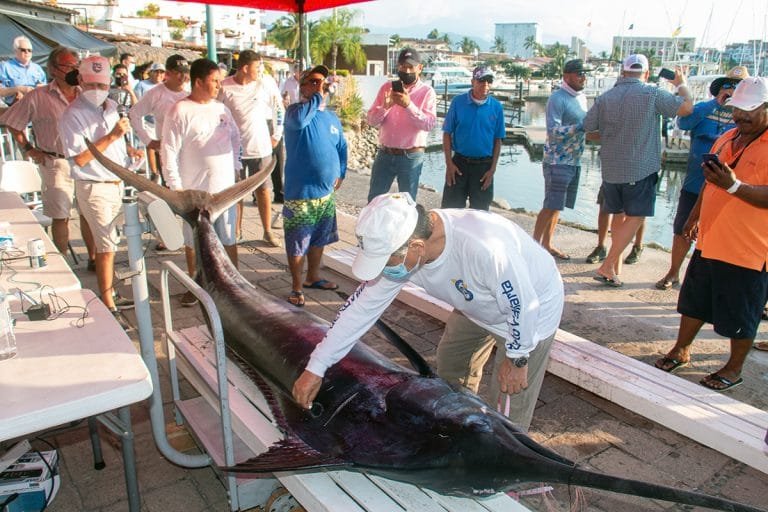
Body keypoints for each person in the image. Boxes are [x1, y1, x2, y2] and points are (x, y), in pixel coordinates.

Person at [292, 192, 564, 430]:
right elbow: (359, 311)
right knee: (451, 364)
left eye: (387, 262)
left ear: (417, 246)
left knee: (510, 399)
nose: (385, 271)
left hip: (530, 311)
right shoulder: (403, 250)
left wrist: (518, 358)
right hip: (475, 302)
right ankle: (463, 427)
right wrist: (316, 367)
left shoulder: (484, 248)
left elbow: (522, 303)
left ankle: (510, 472)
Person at [654, 77, 768, 391]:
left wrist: (734, 186)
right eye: (737, 109)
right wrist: (693, 218)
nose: (740, 116)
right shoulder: (727, 138)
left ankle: (734, 367)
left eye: (749, 110)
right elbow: (710, 182)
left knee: (742, 312)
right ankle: (681, 349)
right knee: (693, 301)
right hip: (711, 239)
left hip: (749, 248)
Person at [583, 54, 693, 287]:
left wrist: (614, 133)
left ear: (623, 72)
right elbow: (686, 108)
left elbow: (588, 128)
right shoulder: (651, 93)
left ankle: (613, 268)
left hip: (611, 169)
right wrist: (681, 84)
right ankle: (608, 264)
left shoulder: (605, 97)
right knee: (636, 217)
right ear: (646, 72)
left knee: (619, 216)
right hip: (639, 168)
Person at [59, 55, 141, 324]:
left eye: (102, 85)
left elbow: (114, 146)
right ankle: (107, 303)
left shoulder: (112, 107)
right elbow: (80, 158)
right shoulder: (73, 115)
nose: (98, 90)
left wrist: (128, 150)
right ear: (80, 81)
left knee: (113, 244)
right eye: (92, 84)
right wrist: (113, 136)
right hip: (94, 185)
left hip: (116, 182)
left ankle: (112, 293)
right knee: (106, 246)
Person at [654, 66, 747, 290]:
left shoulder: (746, 116)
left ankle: (709, 282)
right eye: (728, 85)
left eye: (737, 86)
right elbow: (683, 122)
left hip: (729, 189)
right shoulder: (706, 108)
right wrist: (716, 103)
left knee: (720, 235)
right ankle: (673, 272)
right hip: (696, 183)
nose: (732, 90)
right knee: (682, 229)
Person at [162, 58, 242, 308]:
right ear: (198, 81)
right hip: (195, 193)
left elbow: (236, 139)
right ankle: (197, 286)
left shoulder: (222, 109)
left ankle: (235, 287)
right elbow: (168, 152)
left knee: (228, 239)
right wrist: (176, 189)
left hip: (225, 190)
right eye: (215, 81)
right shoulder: (179, 110)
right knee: (194, 241)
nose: (220, 85)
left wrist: (236, 168)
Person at [0, 47, 79, 255]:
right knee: (61, 216)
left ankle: (92, 259)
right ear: (53, 69)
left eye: (76, 66)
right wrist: (29, 149)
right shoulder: (37, 96)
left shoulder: (86, 94)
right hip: (56, 163)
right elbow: (13, 122)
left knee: (89, 214)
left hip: (85, 162)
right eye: (67, 66)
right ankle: (63, 261)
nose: (73, 70)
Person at [282, 65, 346, 307]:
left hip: (325, 194)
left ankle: (313, 277)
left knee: (319, 238)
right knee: (298, 241)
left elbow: (341, 147)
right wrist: (316, 96)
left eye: (323, 83)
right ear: (303, 86)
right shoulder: (294, 112)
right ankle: (297, 287)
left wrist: (341, 171)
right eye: (314, 82)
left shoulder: (330, 117)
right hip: (301, 194)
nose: (321, 86)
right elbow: (299, 123)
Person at [218, 50, 281, 247]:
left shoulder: (265, 83)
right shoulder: (225, 87)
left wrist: (276, 134)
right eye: (257, 67)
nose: (260, 70)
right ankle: (236, 232)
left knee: (263, 190)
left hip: (260, 147)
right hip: (233, 150)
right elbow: (214, 111)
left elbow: (279, 108)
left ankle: (267, 230)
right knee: (236, 193)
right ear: (245, 68)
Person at [533, 59, 591, 259]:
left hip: (573, 161)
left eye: (584, 73)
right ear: (567, 76)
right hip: (557, 161)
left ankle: (547, 244)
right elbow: (553, 131)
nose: (583, 77)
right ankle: (533, 247)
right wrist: (581, 126)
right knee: (550, 204)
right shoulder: (558, 98)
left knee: (558, 206)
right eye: (579, 73)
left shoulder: (581, 98)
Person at [366, 47, 436, 202]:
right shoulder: (386, 88)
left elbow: (429, 124)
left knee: (407, 204)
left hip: (410, 156)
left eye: (411, 67)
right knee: (374, 200)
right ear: (398, 67)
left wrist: (409, 106)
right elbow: (371, 121)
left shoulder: (427, 92)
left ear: (420, 68)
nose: (407, 70)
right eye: (403, 67)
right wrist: (385, 107)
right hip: (385, 154)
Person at [441, 66, 505, 210]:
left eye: (489, 81)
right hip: (459, 165)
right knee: (451, 211)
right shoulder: (458, 102)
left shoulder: (496, 107)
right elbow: (446, 134)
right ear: (472, 81)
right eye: (481, 81)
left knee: (480, 214)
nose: (485, 85)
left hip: (483, 167)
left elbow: (498, 140)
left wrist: (492, 170)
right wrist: (449, 164)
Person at [129, 55, 190, 185]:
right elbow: (134, 114)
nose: (182, 77)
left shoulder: (190, 93)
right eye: (177, 73)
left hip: (190, 153)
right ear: (168, 73)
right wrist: (148, 141)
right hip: (168, 154)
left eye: (184, 73)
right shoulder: (155, 93)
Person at [0, 36, 46, 106]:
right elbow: (1, 91)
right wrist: (18, 89)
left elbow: (46, 88)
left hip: (37, 106)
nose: (27, 52)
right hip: (14, 108)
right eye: (23, 50)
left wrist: (43, 88)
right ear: (15, 51)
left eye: (29, 50)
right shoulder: (5, 66)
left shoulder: (38, 68)